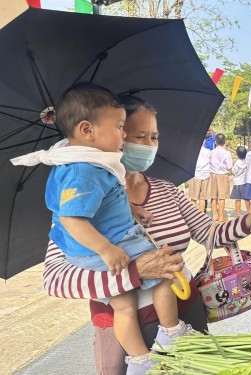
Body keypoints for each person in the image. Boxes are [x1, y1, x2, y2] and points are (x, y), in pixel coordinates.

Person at [40, 95, 251, 374]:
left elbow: (209, 232)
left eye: (154, 137)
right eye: (138, 135)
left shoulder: (167, 190)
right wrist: (136, 272)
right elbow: (55, 279)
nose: (148, 145)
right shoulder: (79, 200)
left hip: (183, 315)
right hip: (125, 332)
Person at [11, 84, 186, 374]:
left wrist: (132, 210)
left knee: (124, 305)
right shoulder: (84, 170)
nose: (126, 137)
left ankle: (141, 360)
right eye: (122, 128)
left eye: (152, 137)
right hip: (109, 247)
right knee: (165, 272)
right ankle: (172, 333)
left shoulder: (97, 167)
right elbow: (72, 219)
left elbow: (104, 203)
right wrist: (108, 251)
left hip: (110, 249)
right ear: (87, 130)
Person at [208, 133, 233, 222]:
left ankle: (215, 215)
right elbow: (229, 167)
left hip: (213, 175)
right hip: (222, 175)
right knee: (222, 197)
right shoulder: (227, 153)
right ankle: (221, 216)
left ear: (215, 141)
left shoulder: (211, 152)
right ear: (224, 142)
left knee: (213, 196)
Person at [189, 134, 212, 212]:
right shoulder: (208, 151)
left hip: (195, 175)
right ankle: (202, 216)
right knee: (203, 198)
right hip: (205, 176)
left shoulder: (192, 151)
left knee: (193, 198)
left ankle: (192, 216)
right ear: (204, 142)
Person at [231, 146, 249, 217]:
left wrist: (232, 164)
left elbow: (234, 172)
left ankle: (239, 214)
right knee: (246, 199)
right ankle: (248, 211)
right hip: (244, 182)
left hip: (237, 183)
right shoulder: (246, 161)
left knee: (238, 200)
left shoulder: (237, 163)